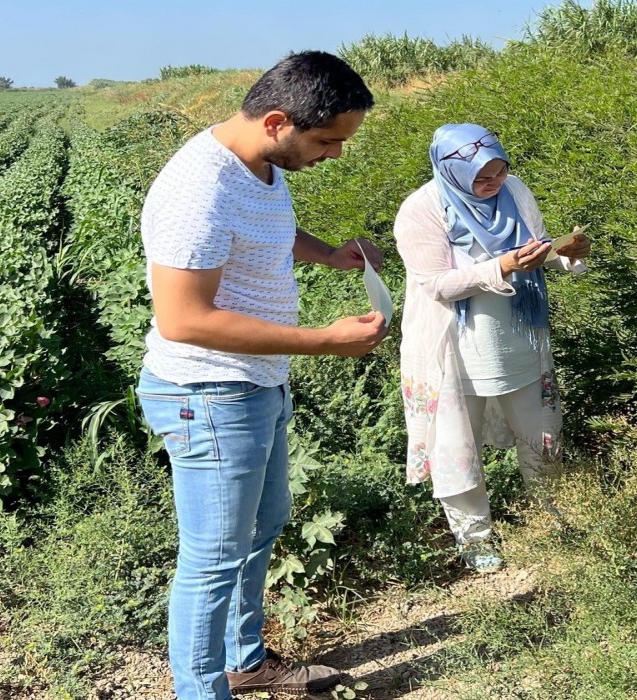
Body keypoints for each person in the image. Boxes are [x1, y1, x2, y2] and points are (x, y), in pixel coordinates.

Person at [135, 51, 388, 700]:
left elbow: (263, 227)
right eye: (328, 141)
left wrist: (327, 254)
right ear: (278, 120)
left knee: (262, 526)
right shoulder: (201, 187)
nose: (335, 154)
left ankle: (244, 661)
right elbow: (184, 319)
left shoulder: (255, 164)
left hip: (255, 385)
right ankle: (201, 690)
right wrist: (322, 342)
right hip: (208, 393)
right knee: (213, 558)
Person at [394, 123, 591, 572]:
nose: (493, 184)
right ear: (451, 171)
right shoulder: (421, 209)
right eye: (482, 178)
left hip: (518, 335)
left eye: (499, 172)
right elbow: (436, 284)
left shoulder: (515, 191)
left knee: (542, 433)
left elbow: (535, 252)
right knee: (456, 446)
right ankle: (475, 541)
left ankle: (553, 523)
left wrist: (567, 254)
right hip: (453, 348)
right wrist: (499, 266)